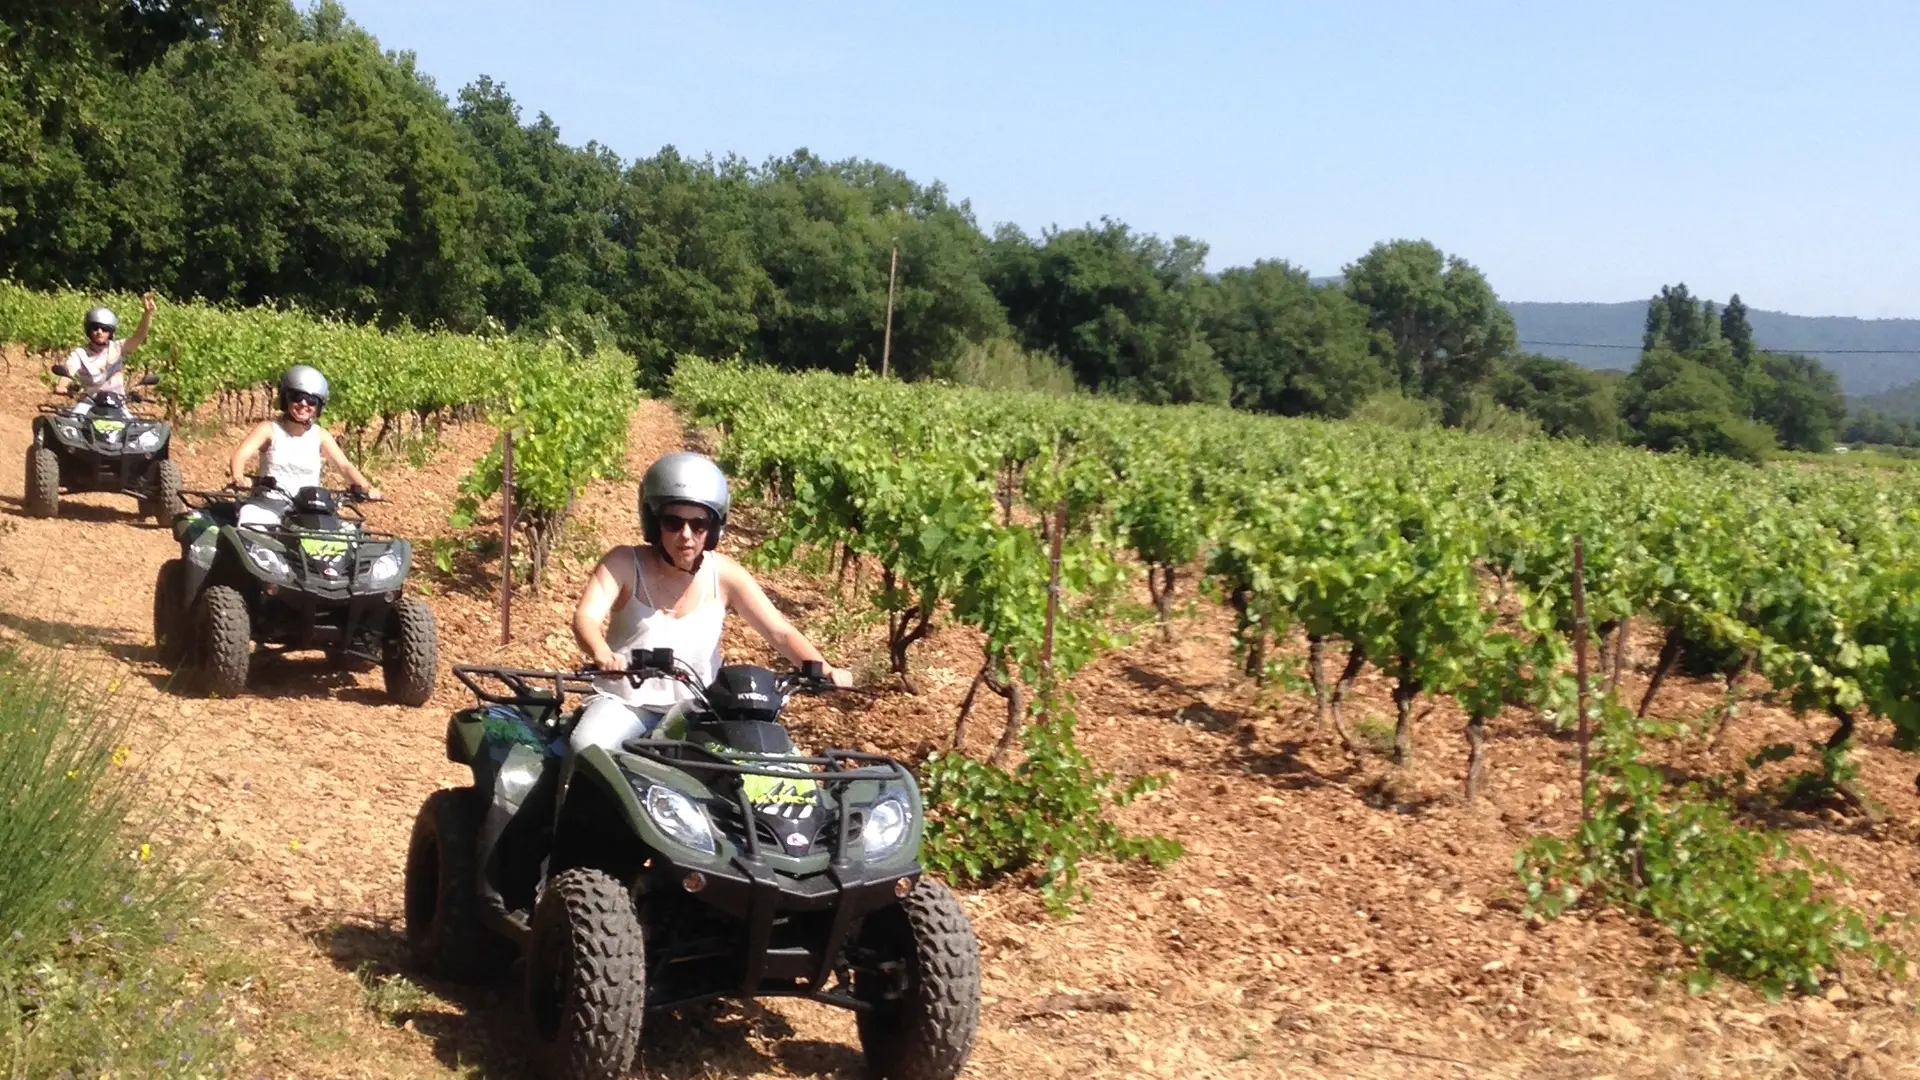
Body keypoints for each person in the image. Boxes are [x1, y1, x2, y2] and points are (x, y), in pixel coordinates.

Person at [570, 451, 852, 753]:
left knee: (777, 764)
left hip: (699, 708)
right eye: (673, 522)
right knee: (586, 747)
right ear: (654, 523)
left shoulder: (725, 574)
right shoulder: (624, 563)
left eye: (699, 524)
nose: (686, 535)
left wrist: (825, 669)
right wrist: (602, 653)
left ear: (714, 529)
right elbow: (586, 617)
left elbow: (779, 632)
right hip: (626, 702)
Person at [228, 364, 381, 528]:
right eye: (296, 396)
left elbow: (344, 466)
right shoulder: (269, 429)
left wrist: (366, 487)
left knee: (348, 536)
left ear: (318, 406)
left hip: (308, 511)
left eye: (311, 400)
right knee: (250, 528)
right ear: (285, 398)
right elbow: (240, 455)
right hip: (268, 506)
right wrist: (239, 477)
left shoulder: (320, 435)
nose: (303, 403)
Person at [59, 294, 155, 414]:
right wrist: (62, 385)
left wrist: (147, 314)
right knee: (72, 424)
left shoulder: (118, 348)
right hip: (89, 402)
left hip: (118, 403)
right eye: (95, 328)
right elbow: (68, 371)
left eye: (105, 329)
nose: (99, 332)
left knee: (134, 428)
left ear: (111, 333)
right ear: (88, 330)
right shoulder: (80, 354)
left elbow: (138, 337)